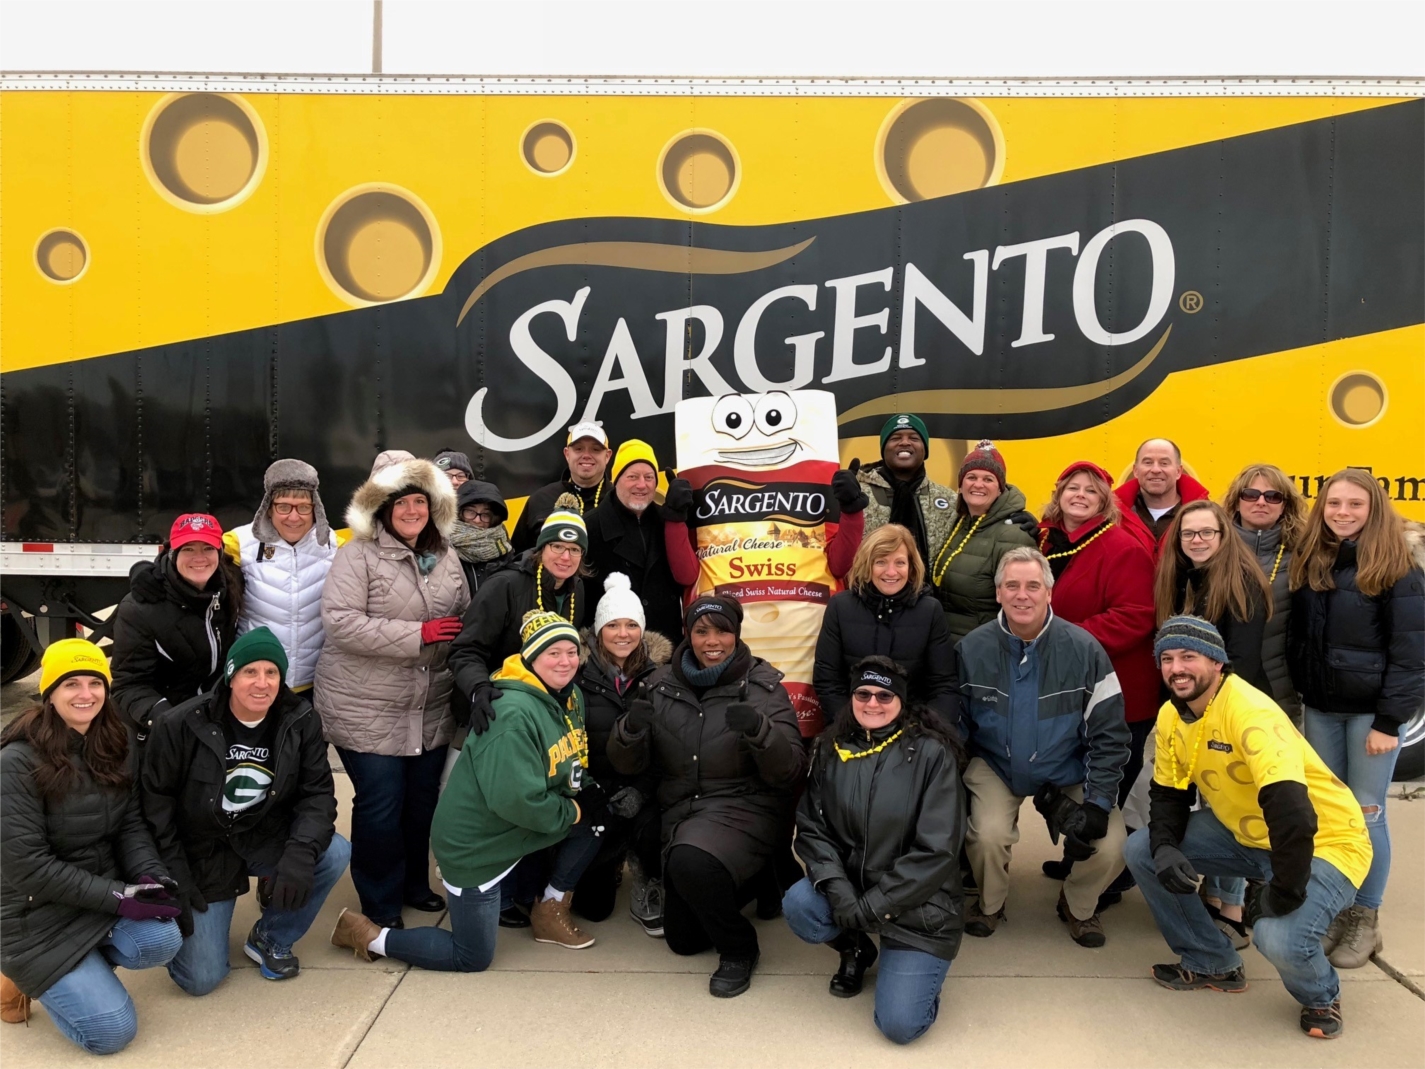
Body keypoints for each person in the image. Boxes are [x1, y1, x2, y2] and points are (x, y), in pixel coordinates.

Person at [1124, 616, 1373, 1040]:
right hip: (1247, 836)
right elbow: (1167, 793)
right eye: (1166, 658)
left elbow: (1293, 813)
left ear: (1218, 663)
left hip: (1325, 844)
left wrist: (1284, 889)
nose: (1176, 668)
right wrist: (1165, 846)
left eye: (1189, 656)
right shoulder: (1171, 715)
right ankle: (1210, 962)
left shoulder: (1250, 712)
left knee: (1277, 938)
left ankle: (1320, 995)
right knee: (1142, 850)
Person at [331, 611, 606, 966]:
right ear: (531, 658)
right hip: (478, 845)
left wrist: (588, 791)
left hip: (518, 827)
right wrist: (575, 809)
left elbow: (572, 757)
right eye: (553, 653)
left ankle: (548, 909)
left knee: (601, 817)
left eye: (571, 651)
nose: (565, 661)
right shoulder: (511, 715)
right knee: (472, 956)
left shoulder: (569, 697)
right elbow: (518, 801)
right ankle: (369, 936)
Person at [608, 595, 806, 998]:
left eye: (722, 630)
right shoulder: (660, 684)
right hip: (682, 809)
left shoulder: (763, 687)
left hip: (743, 806)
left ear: (736, 634)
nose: (711, 640)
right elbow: (627, 765)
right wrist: (629, 730)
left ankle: (740, 949)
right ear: (689, 634)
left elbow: (790, 771)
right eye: (701, 631)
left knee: (690, 861)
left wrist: (760, 732)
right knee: (683, 941)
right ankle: (759, 877)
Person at [0, 640, 182, 1055]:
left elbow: (129, 824)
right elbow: (29, 868)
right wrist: (120, 897)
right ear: (49, 693)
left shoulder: (115, 743)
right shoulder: (16, 761)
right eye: (71, 684)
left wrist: (148, 876)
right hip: (34, 915)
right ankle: (26, 976)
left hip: (93, 899)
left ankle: (79, 972)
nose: (86, 694)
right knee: (112, 1034)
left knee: (162, 940)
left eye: (95, 683)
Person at [141, 628, 348, 990]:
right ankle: (178, 930)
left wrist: (299, 853)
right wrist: (174, 876)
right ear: (231, 676)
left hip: (263, 834)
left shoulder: (300, 720)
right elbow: (155, 809)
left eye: (272, 673)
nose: (262, 683)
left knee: (333, 852)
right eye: (250, 672)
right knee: (200, 979)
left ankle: (270, 936)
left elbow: (317, 795)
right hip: (203, 849)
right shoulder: (180, 724)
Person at [314, 450, 469, 929]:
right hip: (364, 705)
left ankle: (413, 885)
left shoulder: (446, 556)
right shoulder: (356, 555)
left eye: (419, 501)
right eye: (400, 502)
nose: (410, 511)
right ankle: (380, 902)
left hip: (427, 705)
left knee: (421, 802)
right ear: (382, 507)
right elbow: (340, 622)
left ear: (433, 506)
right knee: (381, 805)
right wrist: (417, 635)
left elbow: (463, 614)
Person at [784, 657, 966, 1045]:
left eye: (885, 695)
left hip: (918, 906)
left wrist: (871, 908)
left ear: (901, 700)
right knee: (800, 905)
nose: (872, 703)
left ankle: (910, 972)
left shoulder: (933, 754)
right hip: (852, 892)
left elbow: (936, 851)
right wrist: (839, 891)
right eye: (863, 693)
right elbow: (813, 830)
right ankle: (856, 950)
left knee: (900, 1026)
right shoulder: (831, 748)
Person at [955, 547, 1130, 946]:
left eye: (1033, 586)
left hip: (1067, 765)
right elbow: (957, 727)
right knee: (986, 834)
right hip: (995, 764)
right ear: (997, 593)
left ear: (1049, 593)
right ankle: (990, 903)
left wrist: (1099, 803)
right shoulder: (971, 650)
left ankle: (1078, 905)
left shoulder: (1084, 649)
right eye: (1011, 585)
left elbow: (1109, 734)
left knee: (1114, 843)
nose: (1022, 595)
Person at [1288, 468, 1425, 970]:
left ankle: (1365, 920)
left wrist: (1390, 723)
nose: (1342, 513)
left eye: (1355, 505)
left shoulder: (1398, 568)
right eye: (1333, 504)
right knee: (1331, 814)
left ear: (1375, 510)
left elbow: (1412, 655)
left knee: (1368, 813)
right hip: (1322, 708)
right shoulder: (1315, 559)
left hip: (1369, 714)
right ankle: (1337, 910)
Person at [1035, 462, 1156, 898]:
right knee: (1076, 777)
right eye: (1073, 488)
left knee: (1111, 787)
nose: (1080, 495)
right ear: (1059, 493)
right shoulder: (1047, 541)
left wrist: (1067, 640)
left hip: (1118, 690)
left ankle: (1107, 879)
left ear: (1106, 500)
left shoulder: (1122, 547)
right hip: (1069, 688)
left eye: (1091, 490)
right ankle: (1076, 858)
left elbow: (1137, 615)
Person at [574, 573, 671, 936]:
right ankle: (609, 859)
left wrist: (641, 790)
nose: (622, 633)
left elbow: (668, 748)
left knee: (652, 828)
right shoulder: (577, 675)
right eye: (612, 625)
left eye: (631, 624)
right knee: (593, 910)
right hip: (595, 790)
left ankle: (648, 874)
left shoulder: (661, 676)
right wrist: (594, 792)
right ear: (599, 630)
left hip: (644, 790)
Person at [450, 498, 590, 736]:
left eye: (574, 549)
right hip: (494, 708)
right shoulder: (504, 586)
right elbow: (465, 651)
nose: (566, 557)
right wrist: (479, 689)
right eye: (557, 546)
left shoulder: (576, 589)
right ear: (542, 548)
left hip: (542, 711)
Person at [110, 513, 243, 743]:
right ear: (171, 553)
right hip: (164, 731)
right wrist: (168, 719)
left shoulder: (230, 587)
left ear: (220, 552)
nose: (199, 558)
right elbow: (128, 685)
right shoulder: (140, 608)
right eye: (188, 548)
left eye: (208, 548)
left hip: (217, 720)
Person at [813, 523, 957, 728]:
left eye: (900, 563)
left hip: (913, 730)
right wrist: (852, 728)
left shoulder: (930, 611)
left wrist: (925, 735)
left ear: (911, 566)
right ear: (867, 564)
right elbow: (827, 680)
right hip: (853, 726)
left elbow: (943, 685)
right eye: (881, 562)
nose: (891, 572)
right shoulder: (840, 607)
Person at [222, 459, 343, 693]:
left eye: (303, 507)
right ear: (268, 506)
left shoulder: (336, 545)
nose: (294, 517)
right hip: (258, 682)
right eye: (284, 506)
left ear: (315, 507)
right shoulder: (239, 542)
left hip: (314, 682)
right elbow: (192, 563)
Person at [1156, 501, 1275, 696]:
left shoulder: (1242, 583)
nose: (1197, 540)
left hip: (1233, 701)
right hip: (1188, 699)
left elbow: (1242, 660)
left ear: (1223, 535)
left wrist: (1208, 706)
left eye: (1207, 532)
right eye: (1188, 533)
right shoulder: (1176, 579)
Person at [1222, 463, 1309, 723]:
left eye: (1272, 496)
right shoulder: (1215, 549)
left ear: (1285, 505)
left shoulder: (1303, 555)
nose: (1261, 502)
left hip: (1281, 692)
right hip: (1223, 689)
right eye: (1250, 494)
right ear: (1236, 502)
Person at [929, 440, 1038, 643]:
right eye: (971, 477)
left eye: (988, 479)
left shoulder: (1014, 535)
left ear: (1000, 489)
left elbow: (1021, 604)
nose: (978, 485)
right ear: (960, 485)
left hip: (984, 650)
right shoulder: (958, 523)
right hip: (950, 645)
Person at [586, 439, 684, 642]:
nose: (642, 484)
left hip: (667, 647)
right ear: (615, 480)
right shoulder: (590, 527)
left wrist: (683, 517)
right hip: (613, 651)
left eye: (649, 477)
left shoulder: (668, 523)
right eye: (632, 477)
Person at [855, 413, 957, 568]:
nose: (904, 443)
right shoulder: (858, 494)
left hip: (930, 591)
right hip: (868, 590)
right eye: (895, 438)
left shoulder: (949, 500)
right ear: (884, 449)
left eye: (914, 438)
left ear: (925, 449)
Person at [511, 422, 612, 551]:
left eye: (595, 449)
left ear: (607, 456)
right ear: (567, 454)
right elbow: (519, 558)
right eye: (578, 449)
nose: (586, 455)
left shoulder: (619, 501)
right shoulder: (540, 499)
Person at [1113, 438, 1210, 552]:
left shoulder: (1207, 516)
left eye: (1164, 463)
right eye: (1148, 462)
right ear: (1136, 470)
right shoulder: (1112, 516)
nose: (1155, 469)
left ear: (1178, 471)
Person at [450, 479, 515, 596]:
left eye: (485, 514)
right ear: (458, 513)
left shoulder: (504, 548)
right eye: (470, 512)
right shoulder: (442, 548)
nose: (477, 520)